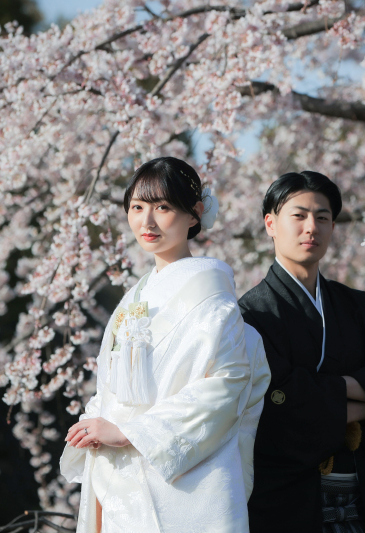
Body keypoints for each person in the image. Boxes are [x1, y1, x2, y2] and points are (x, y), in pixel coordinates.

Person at [60, 157, 271, 533]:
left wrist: (130, 432)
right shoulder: (135, 298)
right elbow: (112, 387)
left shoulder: (213, 298)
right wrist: (94, 423)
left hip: (181, 487)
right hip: (119, 475)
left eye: (163, 207)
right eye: (138, 208)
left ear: (195, 215)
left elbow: (226, 386)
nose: (147, 221)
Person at [239, 171, 365, 533]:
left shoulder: (355, 306)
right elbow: (280, 407)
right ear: (271, 224)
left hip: (359, 497)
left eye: (323, 218)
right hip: (289, 504)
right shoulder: (252, 315)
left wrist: (324, 393)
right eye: (299, 215)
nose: (312, 227)